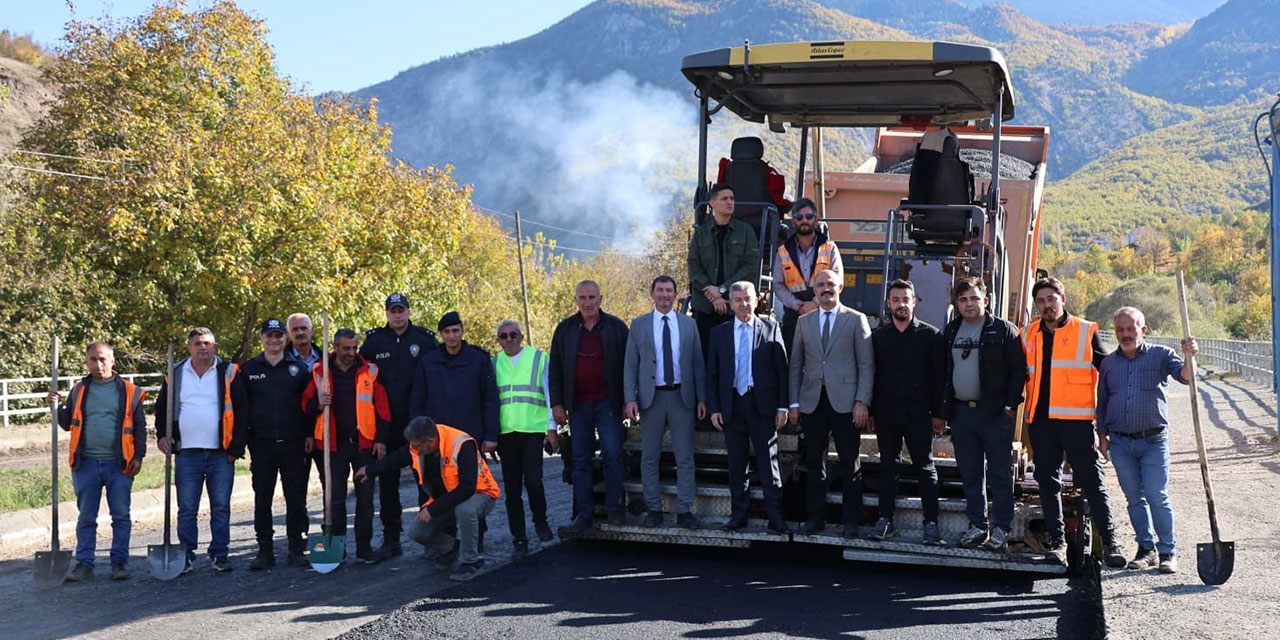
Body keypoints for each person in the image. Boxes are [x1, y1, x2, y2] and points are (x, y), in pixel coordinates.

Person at [1022, 277, 1123, 567]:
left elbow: (1110, 370)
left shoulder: (1085, 331)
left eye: (1051, 299)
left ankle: (1112, 544)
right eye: (1040, 301)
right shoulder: (1028, 334)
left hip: (1076, 422)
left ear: (1062, 299)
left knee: (1093, 482)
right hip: (1040, 422)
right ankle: (1058, 544)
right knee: (1047, 482)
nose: (1046, 306)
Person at [1097, 307, 1197, 574]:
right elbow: (1103, 402)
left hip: (1153, 441)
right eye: (1120, 330)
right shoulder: (1108, 363)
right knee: (1134, 499)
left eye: (1131, 328)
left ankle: (1167, 551)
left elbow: (1186, 377)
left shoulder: (1161, 355)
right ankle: (1146, 549)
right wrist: (1102, 437)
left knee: (1156, 495)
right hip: (1119, 443)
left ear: (1143, 329)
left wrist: (1190, 355)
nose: (1125, 334)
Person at [355, 416, 500, 582]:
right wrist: (370, 471)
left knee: (465, 510)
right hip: (451, 497)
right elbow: (397, 459)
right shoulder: (419, 445)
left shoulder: (461, 444)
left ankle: (470, 561)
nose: (414, 449)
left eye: (416, 446)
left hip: (481, 494)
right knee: (417, 532)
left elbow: (466, 489)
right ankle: (452, 548)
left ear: (430, 441)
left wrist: (433, 509)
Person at [48, 341, 147, 582]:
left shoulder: (130, 391)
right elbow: (66, 423)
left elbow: (140, 428)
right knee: (86, 517)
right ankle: (84, 564)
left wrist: (138, 456)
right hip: (86, 463)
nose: (98, 363)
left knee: (121, 515)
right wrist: (55, 407)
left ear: (113, 361)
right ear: (87, 361)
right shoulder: (79, 389)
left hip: (119, 463)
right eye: (93, 359)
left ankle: (120, 562)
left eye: (103, 359)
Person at [940, 277, 1026, 551]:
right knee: (970, 474)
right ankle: (978, 526)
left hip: (994, 415)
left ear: (985, 301)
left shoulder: (1003, 330)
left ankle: (1001, 528)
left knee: (1000, 474)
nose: (968, 304)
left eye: (974, 298)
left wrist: (1010, 406)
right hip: (962, 414)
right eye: (963, 299)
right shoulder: (951, 331)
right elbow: (943, 374)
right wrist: (943, 412)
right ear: (956, 303)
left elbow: (1018, 371)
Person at [155, 327, 248, 574]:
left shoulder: (229, 372)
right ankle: (186, 555)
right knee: (187, 507)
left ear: (215, 347)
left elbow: (242, 410)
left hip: (220, 453)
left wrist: (235, 448)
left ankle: (220, 554)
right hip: (187, 453)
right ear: (189, 348)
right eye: (197, 343)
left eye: (207, 343)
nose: (202, 347)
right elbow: (162, 407)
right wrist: (163, 435)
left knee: (220, 506)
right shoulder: (175, 373)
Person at [789, 269, 873, 537]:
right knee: (814, 463)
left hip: (846, 403)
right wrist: (793, 402)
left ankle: (851, 521)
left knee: (850, 462)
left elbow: (866, 364)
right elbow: (796, 365)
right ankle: (816, 519)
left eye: (831, 284)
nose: (826, 289)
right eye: (820, 285)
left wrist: (862, 401)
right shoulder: (805, 322)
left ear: (841, 287)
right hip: (812, 402)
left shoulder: (856, 320)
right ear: (814, 290)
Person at [300, 327, 392, 564]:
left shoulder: (369, 371)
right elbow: (305, 406)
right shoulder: (320, 372)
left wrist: (381, 440)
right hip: (333, 447)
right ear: (336, 347)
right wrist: (318, 404)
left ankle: (364, 549)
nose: (352, 352)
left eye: (355, 347)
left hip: (364, 445)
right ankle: (336, 549)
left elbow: (383, 409)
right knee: (334, 499)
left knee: (365, 499)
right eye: (346, 348)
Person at [359, 293, 439, 560]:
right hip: (386, 426)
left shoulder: (425, 340)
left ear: (408, 311)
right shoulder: (373, 343)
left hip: (418, 424)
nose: (397, 315)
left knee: (425, 483)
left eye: (401, 310)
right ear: (386, 313)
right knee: (388, 486)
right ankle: (392, 540)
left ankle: (431, 538)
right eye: (392, 310)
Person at [706, 281, 790, 533]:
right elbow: (712, 373)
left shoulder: (771, 327)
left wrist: (782, 406)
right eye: (738, 300)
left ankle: (776, 518)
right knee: (736, 465)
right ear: (731, 303)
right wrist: (715, 408)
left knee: (769, 465)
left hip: (762, 405)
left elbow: (781, 370)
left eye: (748, 299)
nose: (744, 304)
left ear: (757, 301)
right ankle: (738, 516)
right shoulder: (719, 333)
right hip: (732, 405)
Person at [625, 275, 708, 529]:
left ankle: (684, 511)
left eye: (669, 291)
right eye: (660, 290)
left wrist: (702, 398)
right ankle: (654, 509)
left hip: (682, 397)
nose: (664, 295)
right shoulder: (639, 325)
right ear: (652, 293)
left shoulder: (688, 325)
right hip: (652, 398)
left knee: (684, 457)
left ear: (675, 294)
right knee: (650, 457)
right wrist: (630, 398)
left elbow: (698, 364)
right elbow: (630, 364)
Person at [549, 280, 630, 531]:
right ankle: (584, 514)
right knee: (581, 460)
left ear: (601, 299)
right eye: (582, 298)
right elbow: (555, 370)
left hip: (609, 404)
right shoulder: (564, 330)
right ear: (576, 301)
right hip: (578, 405)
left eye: (592, 297)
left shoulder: (617, 328)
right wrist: (557, 404)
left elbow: (630, 367)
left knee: (612, 456)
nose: (587, 302)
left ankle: (615, 509)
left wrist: (629, 400)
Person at [868, 280, 944, 544]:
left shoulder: (931, 336)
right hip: (887, 413)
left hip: (919, 414)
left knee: (925, 467)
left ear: (915, 302)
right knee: (889, 466)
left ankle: (931, 524)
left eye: (906, 299)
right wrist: (871, 411)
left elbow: (939, 379)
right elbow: (872, 377)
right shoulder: (877, 337)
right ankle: (884, 519)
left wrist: (938, 414)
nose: (901, 304)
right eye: (896, 299)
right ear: (889, 303)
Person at [240, 318, 311, 569]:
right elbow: (241, 409)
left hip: (293, 443)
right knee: (263, 499)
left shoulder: (298, 368)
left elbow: (308, 406)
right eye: (269, 336)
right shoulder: (248, 370)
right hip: (262, 445)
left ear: (285, 338)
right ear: (262, 339)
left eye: (279, 335)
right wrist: (242, 442)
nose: (274, 340)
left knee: (296, 499)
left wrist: (309, 435)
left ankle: (296, 549)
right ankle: (265, 551)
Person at [492, 319, 558, 556]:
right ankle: (518, 535)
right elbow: (491, 402)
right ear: (498, 340)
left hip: (532, 430)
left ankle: (540, 522)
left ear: (521, 336)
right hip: (506, 434)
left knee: (533, 481)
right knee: (511, 489)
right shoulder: (494, 363)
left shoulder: (539, 359)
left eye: (513, 335)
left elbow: (550, 395)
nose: (508, 340)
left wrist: (552, 429)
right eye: (503, 336)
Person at [688, 183, 761, 354]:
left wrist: (722, 290)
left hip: (734, 307)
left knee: (731, 357)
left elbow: (750, 266)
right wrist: (713, 296)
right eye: (725, 199)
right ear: (712, 203)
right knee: (704, 356)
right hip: (704, 307)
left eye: (732, 199)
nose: (730, 202)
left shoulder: (745, 231)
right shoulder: (701, 233)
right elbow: (693, 266)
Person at [410, 312, 499, 451]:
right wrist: (421, 435)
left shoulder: (479, 359)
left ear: (462, 330)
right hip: (438, 437)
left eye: (455, 331)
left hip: (471, 435)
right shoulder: (428, 362)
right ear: (441, 334)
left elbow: (490, 399)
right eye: (447, 331)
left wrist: (491, 435)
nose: (451, 336)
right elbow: (418, 401)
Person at [773, 197, 844, 350]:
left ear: (816, 220)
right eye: (799, 217)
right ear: (793, 222)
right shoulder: (782, 251)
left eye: (809, 217)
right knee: (792, 363)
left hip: (824, 312)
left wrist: (815, 303)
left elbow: (837, 279)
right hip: (793, 315)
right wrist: (794, 304)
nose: (804, 220)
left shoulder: (830, 248)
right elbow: (777, 284)